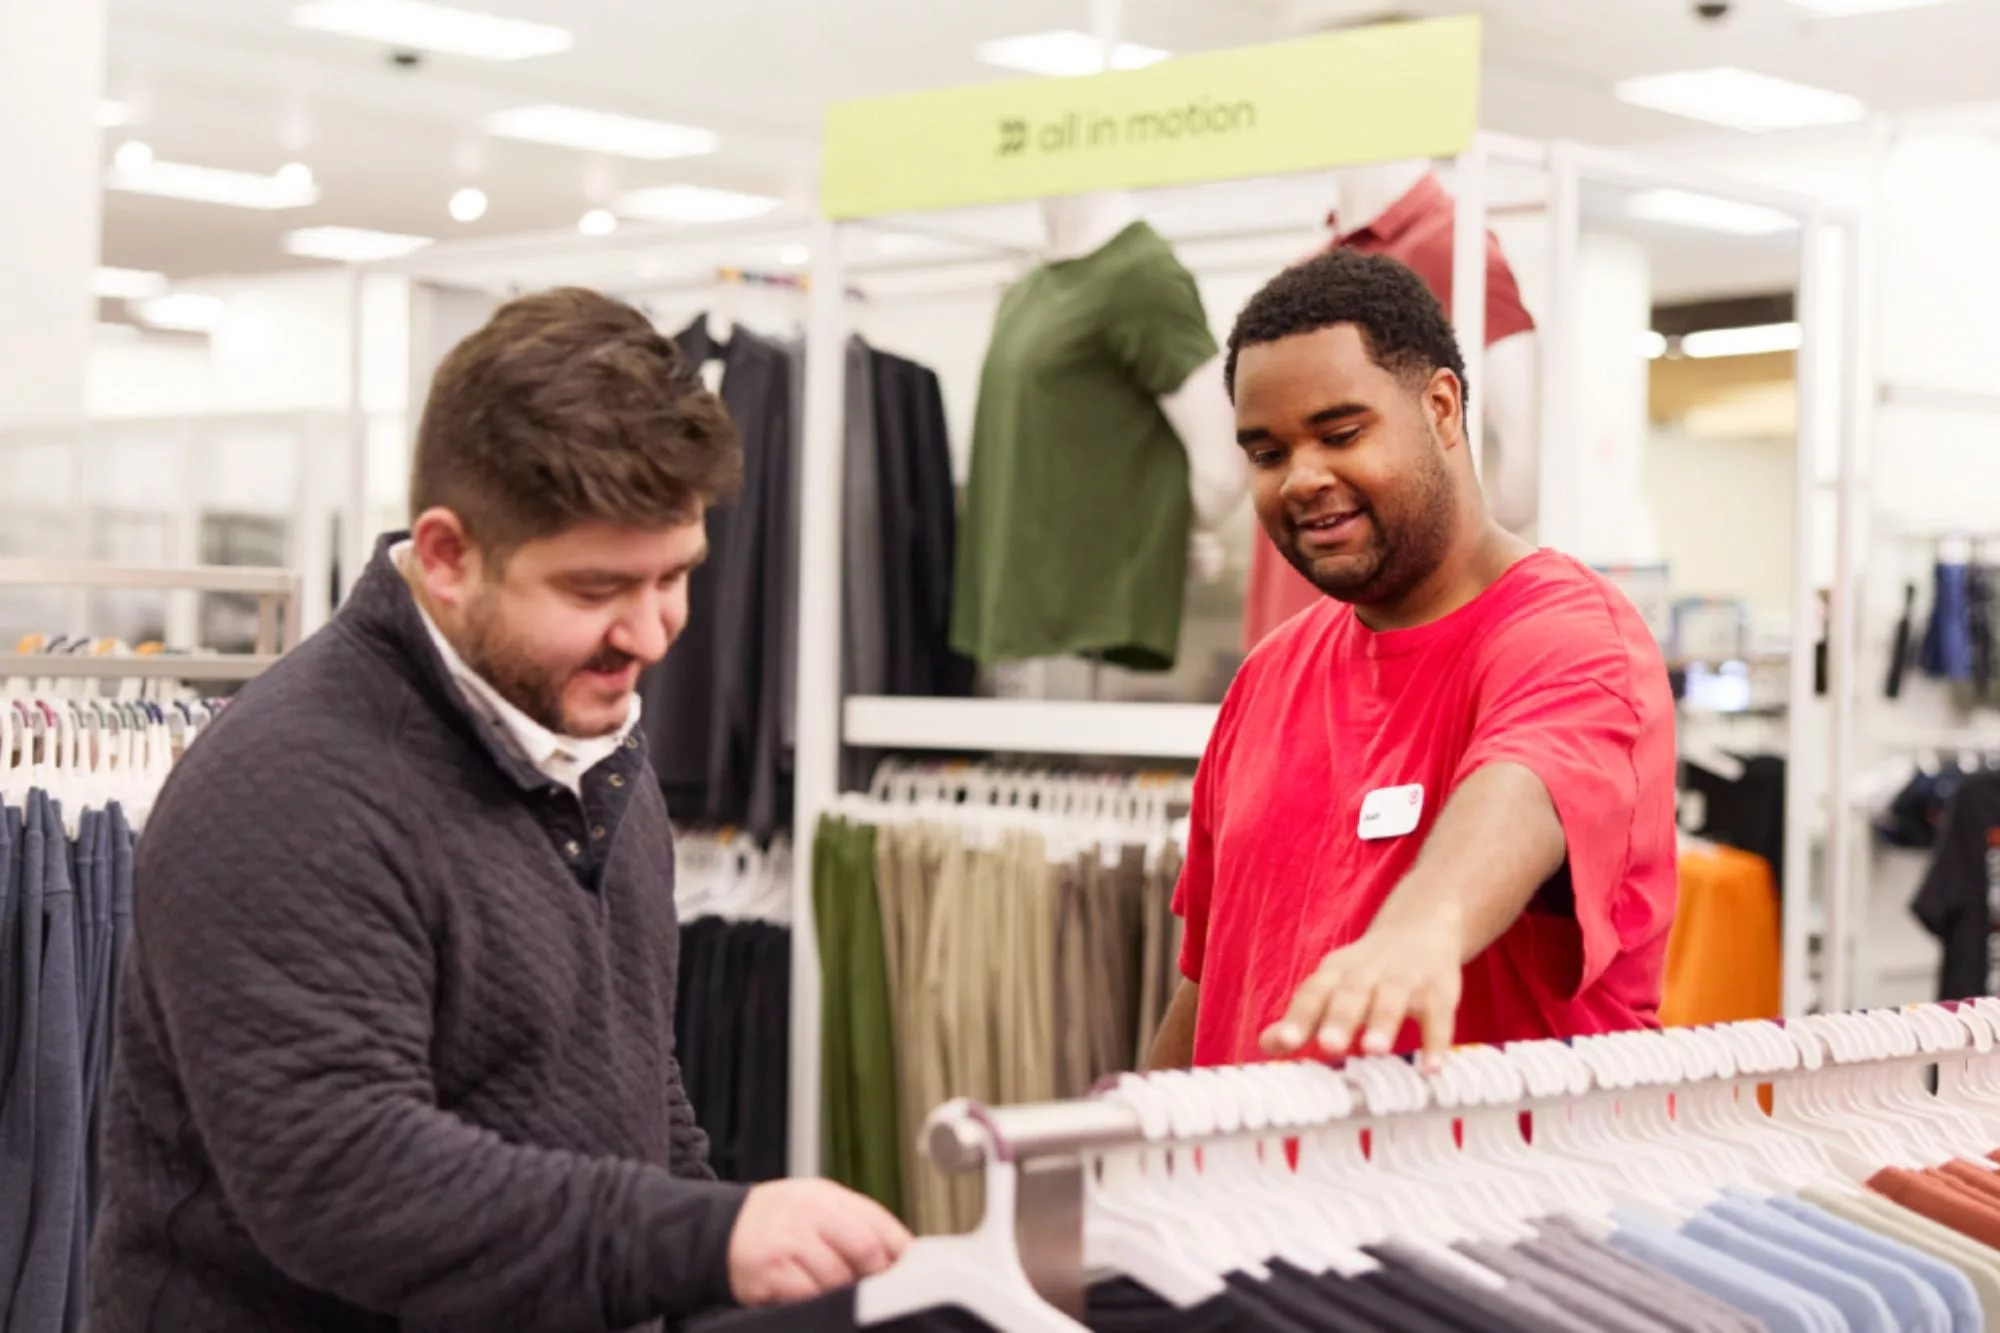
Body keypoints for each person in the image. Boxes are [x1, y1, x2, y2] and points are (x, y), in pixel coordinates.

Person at [87, 288, 909, 1332]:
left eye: (678, 577)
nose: (653, 633)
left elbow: (633, 1087)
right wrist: (711, 1238)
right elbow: (341, 1177)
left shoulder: (591, 744)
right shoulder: (288, 786)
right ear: (445, 555)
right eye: (596, 588)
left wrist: (721, 1259)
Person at [1146, 251, 1677, 1074]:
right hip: (1252, 1197)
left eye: (1341, 433)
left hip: (1484, 1196)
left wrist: (1422, 926)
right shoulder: (1267, 677)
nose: (1303, 478)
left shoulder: (1574, 636)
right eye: (1267, 453)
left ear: (1439, 407)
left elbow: (1526, 785)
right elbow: (1213, 976)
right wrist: (1135, 1154)